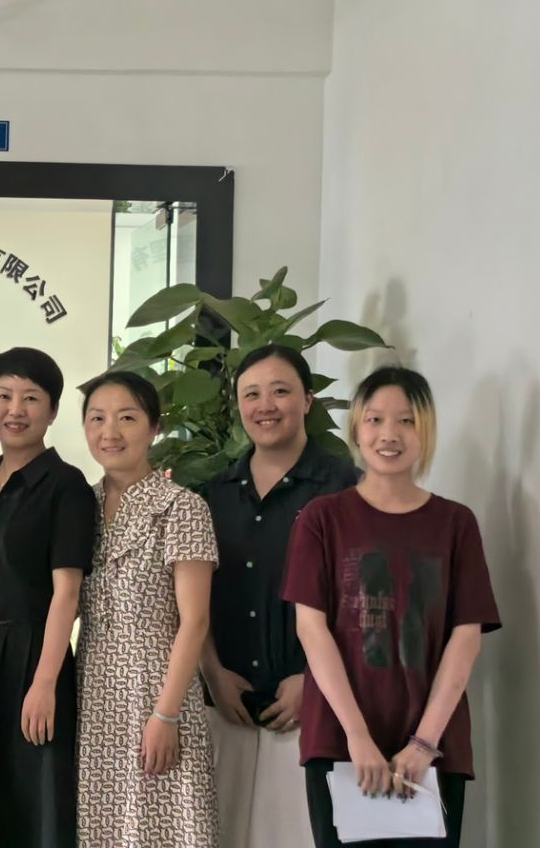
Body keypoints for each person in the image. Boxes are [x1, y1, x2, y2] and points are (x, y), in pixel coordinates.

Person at [284, 366, 501, 848]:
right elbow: (311, 630)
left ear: (426, 430)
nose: (389, 434)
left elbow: (465, 638)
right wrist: (357, 737)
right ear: (357, 428)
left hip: (433, 746)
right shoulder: (322, 519)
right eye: (376, 419)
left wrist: (424, 743)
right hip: (340, 740)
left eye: (406, 421)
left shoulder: (455, 524)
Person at [199, 345, 361, 848]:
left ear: (308, 400)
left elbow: (362, 601)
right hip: (227, 707)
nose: (265, 406)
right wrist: (212, 672)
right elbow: (190, 600)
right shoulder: (211, 494)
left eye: (280, 391)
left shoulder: (346, 490)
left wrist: (314, 679)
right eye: (251, 394)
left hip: (310, 711)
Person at [0, 348, 93, 848]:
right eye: (4, 396)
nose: (15, 410)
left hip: (35, 656)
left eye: (31, 398)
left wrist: (45, 683)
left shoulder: (67, 486)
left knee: (34, 799)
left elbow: (67, 593)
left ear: (52, 412)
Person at [76, 370, 220, 847]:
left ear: (154, 427)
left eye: (127, 418)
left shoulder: (183, 507)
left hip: (159, 694)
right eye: (97, 418)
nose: (110, 431)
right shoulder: (79, 507)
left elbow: (195, 621)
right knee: (103, 828)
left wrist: (166, 715)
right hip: (94, 699)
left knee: (168, 827)